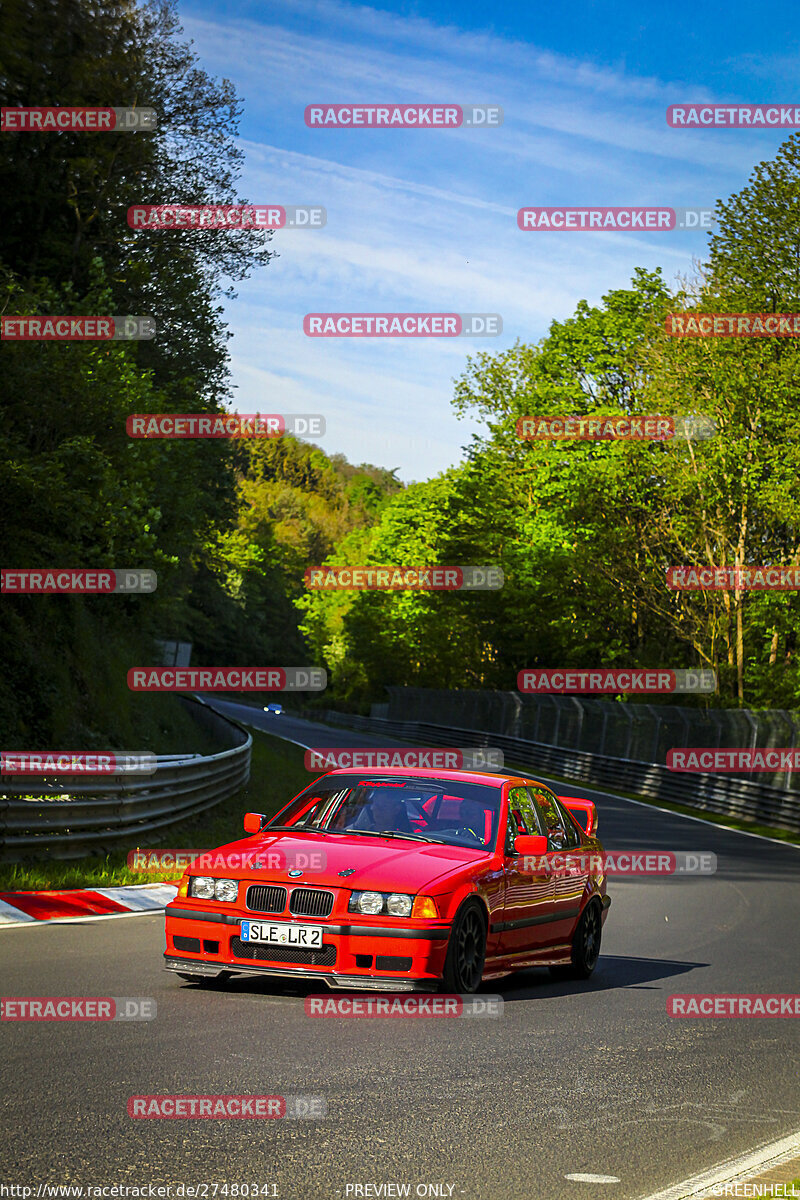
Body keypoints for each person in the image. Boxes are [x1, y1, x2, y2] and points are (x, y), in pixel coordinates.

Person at [347, 787, 414, 834]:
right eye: (376, 805)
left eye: (383, 806)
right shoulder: (350, 832)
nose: (376, 809)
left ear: (397, 809)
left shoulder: (413, 837)